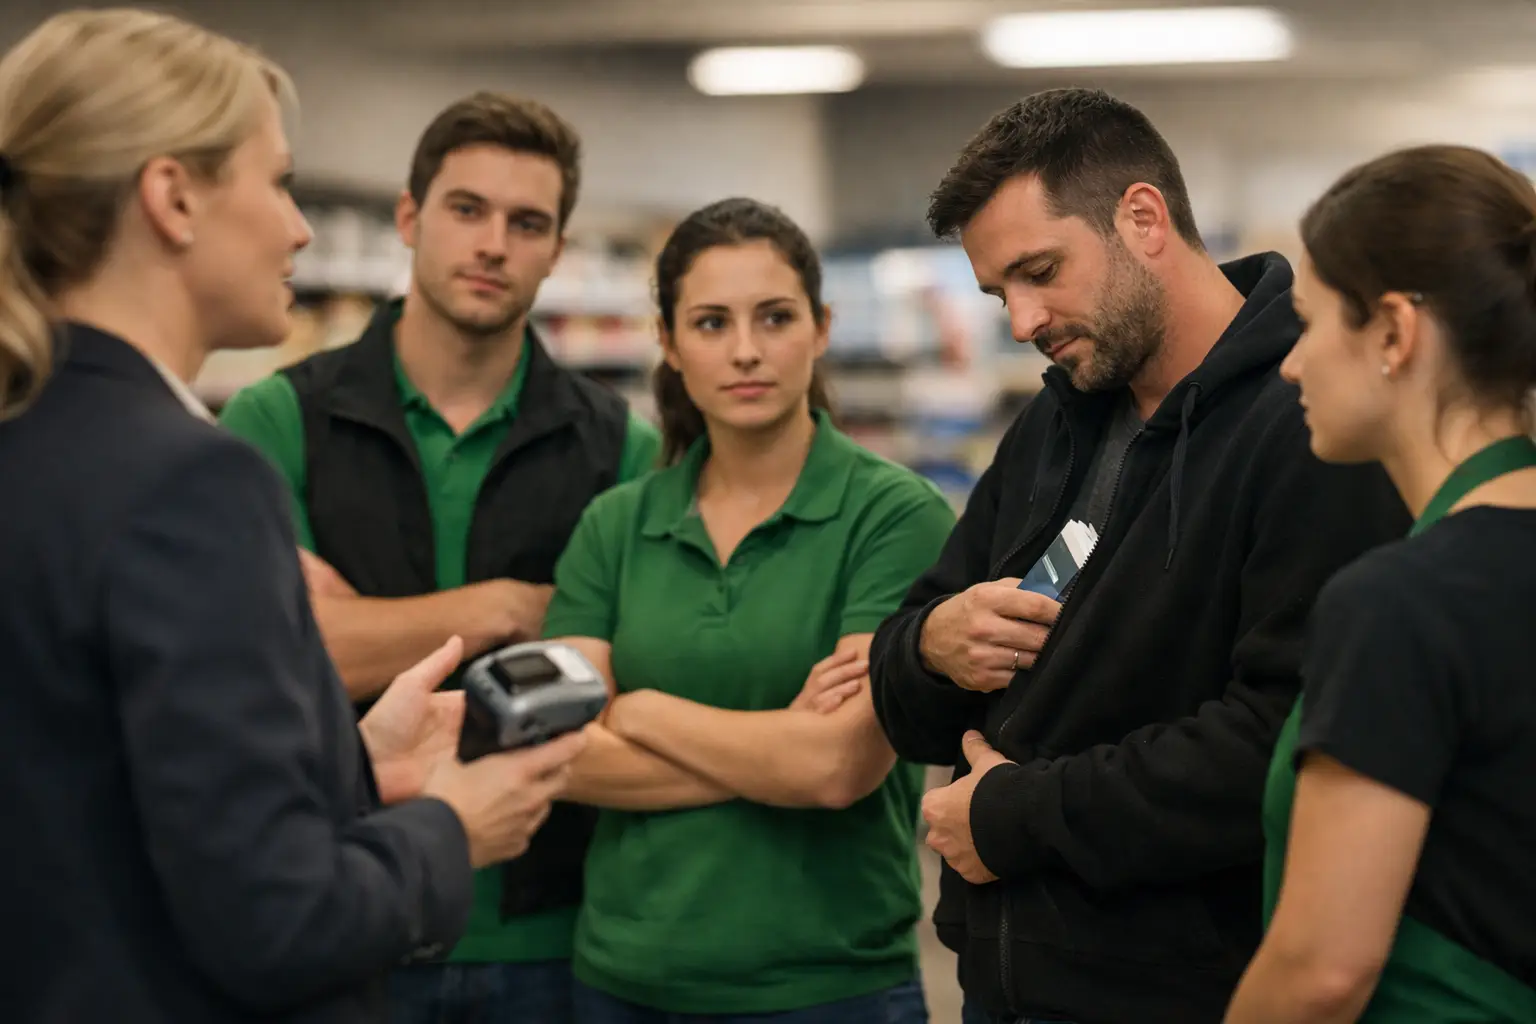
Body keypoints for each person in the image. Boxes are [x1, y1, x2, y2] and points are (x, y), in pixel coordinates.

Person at [0, 10, 585, 1024]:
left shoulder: (34, 435)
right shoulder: (190, 481)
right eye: (277, 182)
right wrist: (452, 822)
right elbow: (277, 919)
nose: (300, 228)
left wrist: (354, 763)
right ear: (173, 198)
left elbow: (96, 791)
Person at [866, 87, 1412, 1024]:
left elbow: (1277, 744)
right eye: (1001, 292)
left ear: (1143, 218)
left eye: (1042, 271)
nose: (1023, 320)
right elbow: (905, 678)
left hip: (1193, 989)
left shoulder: (1308, 427)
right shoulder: (1056, 421)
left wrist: (1016, 817)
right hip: (1005, 983)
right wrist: (929, 648)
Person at [219, 92, 659, 1021]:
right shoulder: (279, 419)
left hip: (556, 932)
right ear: (411, 220)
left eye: (527, 222)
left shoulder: (621, 445)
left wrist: (357, 629)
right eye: (467, 210)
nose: (493, 243)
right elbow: (286, 663)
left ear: (557, 249)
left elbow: (634, 669)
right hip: (348, 903)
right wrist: (506, 606)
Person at [538, 197, 955, 1023]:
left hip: (829, 989)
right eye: (710, 322)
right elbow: (557, 752)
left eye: (774, 317)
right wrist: (773, 751)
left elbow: (836, 768)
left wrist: (640, 709)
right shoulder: (615, 525)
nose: (745, 351)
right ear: (667, 342)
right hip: (623, 985)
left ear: (822, 326)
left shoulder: (896, 518)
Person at [1225, 145, 1536, 1023]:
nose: (1290, 364)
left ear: (1395, 332)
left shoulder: (1401, 602)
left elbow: (1322, 970)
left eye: (1310, 322)